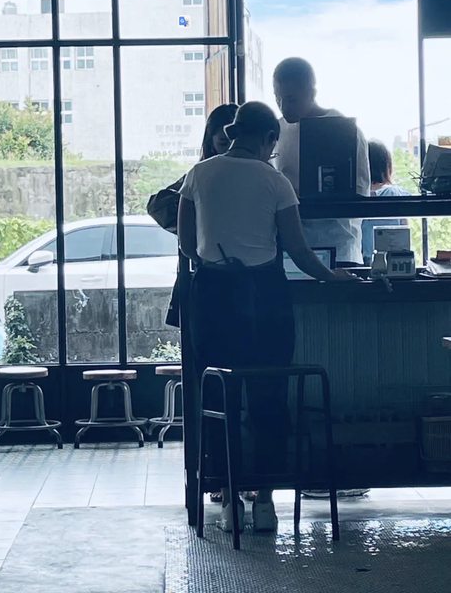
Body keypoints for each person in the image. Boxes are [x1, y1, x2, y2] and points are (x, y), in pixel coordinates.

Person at [178, 101, 357, 533]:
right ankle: (264, 501)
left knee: (217, 397)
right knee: (269, 397)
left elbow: (185, 243)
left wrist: (216, 260)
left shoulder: (198, 175)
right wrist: (331, 276)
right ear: (268, 139)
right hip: (265, 297)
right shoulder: (275, 181)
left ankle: (228, 501)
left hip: (213, 295)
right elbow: (298, 250)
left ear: (233, 133)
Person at [147, 103, 239, 504]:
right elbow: (158, 204)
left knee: (221, 385)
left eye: (232, 132)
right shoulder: (201, 175)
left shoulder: (244, 174)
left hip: (220, 288)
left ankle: (233, 475)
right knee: (211, 386)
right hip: (209, 286)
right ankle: (216, 473)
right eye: (220, 132)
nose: (226, 138)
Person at [147, 103, 239, 328]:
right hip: (209, 272)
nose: (231, 150)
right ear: (211, 142)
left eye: (236, 143)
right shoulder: (200, 174)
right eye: (224, 143)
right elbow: (157, 205)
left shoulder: (260, 175)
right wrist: (194, 218)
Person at [273, 57, 371, 266]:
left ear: (312, 94)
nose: (283, 107)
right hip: (293, 248)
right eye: (277, 98)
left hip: (339, 245)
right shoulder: (276, 132)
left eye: (291, 99)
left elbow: (361, 192)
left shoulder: (344, 131)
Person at [362, 139, 409, 265]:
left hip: (361, 261)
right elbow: (404, 233)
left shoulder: (358, 195)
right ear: (386, 165)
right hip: (393, 262)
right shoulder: (396, 194)